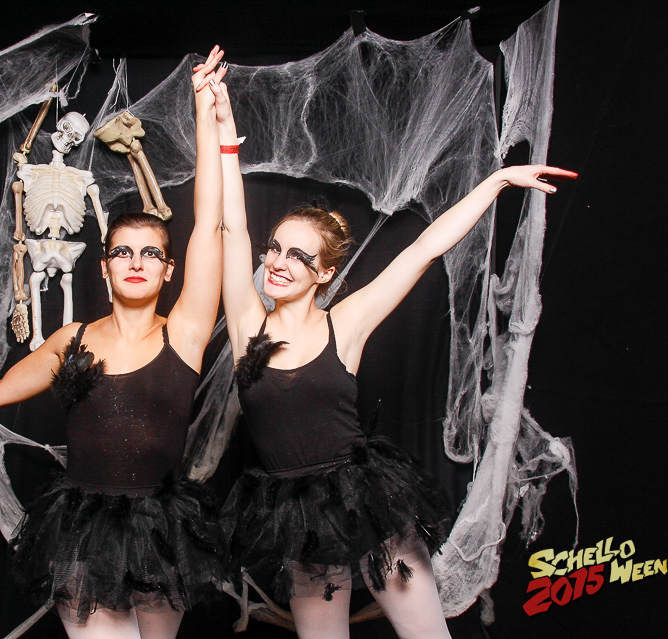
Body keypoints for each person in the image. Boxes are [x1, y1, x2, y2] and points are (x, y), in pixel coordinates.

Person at [198, 64, 576, 639]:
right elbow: (231, 227)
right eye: (275, 248)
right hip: (294, 510)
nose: (277, 262)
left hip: (365, 496)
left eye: (299, 256)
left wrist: (497, 182)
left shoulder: (347, 323)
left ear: (324, 273)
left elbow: (423, 248)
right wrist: (225, 134)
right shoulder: (248, 322)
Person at [0, 47, 231, 639]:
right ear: (104, 267)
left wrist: (206, 113)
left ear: (169, 270)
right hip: (84, 529)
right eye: (123, 252)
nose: (136, 262)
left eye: (151, 253)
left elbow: (212, 222)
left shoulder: (187, 331)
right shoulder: (72, 340)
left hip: (161, 529)